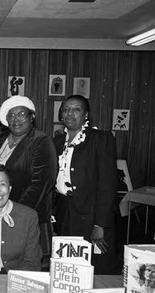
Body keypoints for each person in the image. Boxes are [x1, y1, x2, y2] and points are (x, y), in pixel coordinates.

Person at [53, 94, 117, 274]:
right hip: (65, 211)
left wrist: (100, 224)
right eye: (66, 110)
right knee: (67, 265)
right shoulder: (57, 141)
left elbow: (108, 184)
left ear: (86, 115)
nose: (70, 114)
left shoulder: (100, 139)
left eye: (76, 109)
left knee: (93, 264)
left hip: (91, 214)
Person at [0, 95, 56, 267]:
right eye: (11, 115)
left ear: (32, 117)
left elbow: (42, 182)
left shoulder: (41, 140)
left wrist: (15, 213)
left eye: (21, 114)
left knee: (28, 267)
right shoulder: (0, 140)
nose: (16, 119)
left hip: (27, 214)